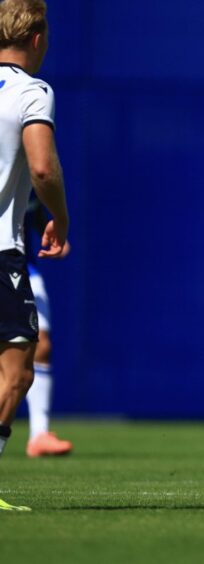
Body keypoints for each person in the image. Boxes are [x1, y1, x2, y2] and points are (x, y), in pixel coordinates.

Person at [0, 0, 70, 511]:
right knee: (17, 369)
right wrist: (60, 220)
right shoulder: (30, 91)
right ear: (39, 39)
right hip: (2, 248)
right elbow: (43, 170)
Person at [24, 198, 72, 457]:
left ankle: (39, 433)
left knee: (41, 344)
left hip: (23, 269)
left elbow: (35, 210)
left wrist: (54, 230)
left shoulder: (27, 178)